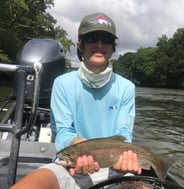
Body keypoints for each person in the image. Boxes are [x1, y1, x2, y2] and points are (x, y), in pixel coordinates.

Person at [10, 12, 141, 189]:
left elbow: (123, 133)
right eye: (92, 38)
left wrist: (126, 159)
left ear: (113, 47)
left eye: (107, 39)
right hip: (71, 163)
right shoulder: (62, 83)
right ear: (80, 44)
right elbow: (63, 131)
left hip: (114, 166)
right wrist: (76, 146)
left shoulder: (126, 87)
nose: (99, 44)